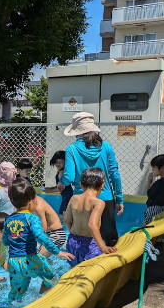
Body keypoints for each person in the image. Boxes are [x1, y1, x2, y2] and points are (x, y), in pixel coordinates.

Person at [2, 179, 74, 302]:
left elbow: (5, 241)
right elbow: (41, 237)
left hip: (13, 262)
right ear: (31, 202)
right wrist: (58, 252)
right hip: (31, 259)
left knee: (16, 292)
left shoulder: (8, 219)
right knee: (51, 277)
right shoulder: (32, 218)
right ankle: (40, 302)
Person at [59, 112, 123, 247]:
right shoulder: (106, 146)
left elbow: (69, 177)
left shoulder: (72, 149)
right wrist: (119, 198)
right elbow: (115, 175)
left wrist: (61, 182)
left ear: (77, 132)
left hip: (81, 198)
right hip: (105, 198)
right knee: (109, 239)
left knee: (83, 238)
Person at [64, 167, 118, 267]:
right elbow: (92, 225)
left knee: (74, 270)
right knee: (91, 271)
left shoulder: (74, 198)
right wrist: (103, 247)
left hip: (72, 241)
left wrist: (74, 233)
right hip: (89, 244)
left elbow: (66, 220)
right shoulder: (99, 203)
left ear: (81, 184)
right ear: (102, 185)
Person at [17, 177, 67, 252]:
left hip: (55, 235)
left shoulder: (38, 206)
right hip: (49, 234)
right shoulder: (32, 202)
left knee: (39, 259)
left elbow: (44, 228)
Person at [143, 154, 164, 226]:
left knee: (144, 228)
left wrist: (149, 181)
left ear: (162, 168)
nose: (152, 169)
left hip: (153, 210)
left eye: (154, 167)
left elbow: (149, 195)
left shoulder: (158, 183)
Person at [43, 151, 73, 215]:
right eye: (57, 162)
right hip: (67, 197)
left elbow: (61, 187)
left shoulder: (61, 172)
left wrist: (49, 190)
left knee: (63, 215)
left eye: (61, 161)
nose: (58, 164)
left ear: (66, 162)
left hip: (67, 198)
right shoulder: (63, 172)